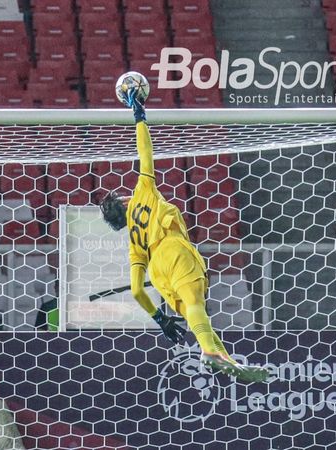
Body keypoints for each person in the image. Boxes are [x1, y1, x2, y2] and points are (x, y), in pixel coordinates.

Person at [100, 86, 268, 383]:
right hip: (172, 249)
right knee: (194, 304)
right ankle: (209, 352)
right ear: (123, 202)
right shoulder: (142, 193)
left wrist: (160, 319)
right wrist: (139, 117)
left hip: (156, 267)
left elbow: (138, 290)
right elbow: (145, 153)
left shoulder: (134, 242)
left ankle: (225, 358)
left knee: (196, 311)